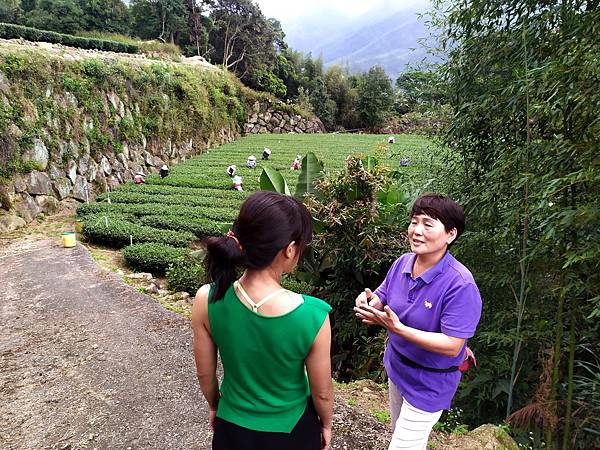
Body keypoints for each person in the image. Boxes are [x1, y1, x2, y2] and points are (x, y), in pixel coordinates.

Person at [192, 191, 333, 450]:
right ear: (290, 250)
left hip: (231, 429)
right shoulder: (313, 315)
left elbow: (205, 374)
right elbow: (321, 392)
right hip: (293, 432)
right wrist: (326, 424)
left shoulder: (207, 299)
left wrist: (215, 406)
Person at [354, 193, 482, 450]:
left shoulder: (460, 284)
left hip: (429, 384)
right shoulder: (403, 262)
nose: (417, 231)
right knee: (401, 438)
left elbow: (453, 345)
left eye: (428, 224)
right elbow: (383, 294)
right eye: (414, 222)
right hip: (398, 369)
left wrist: (398, 329)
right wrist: (370, 302)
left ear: (451, 234)